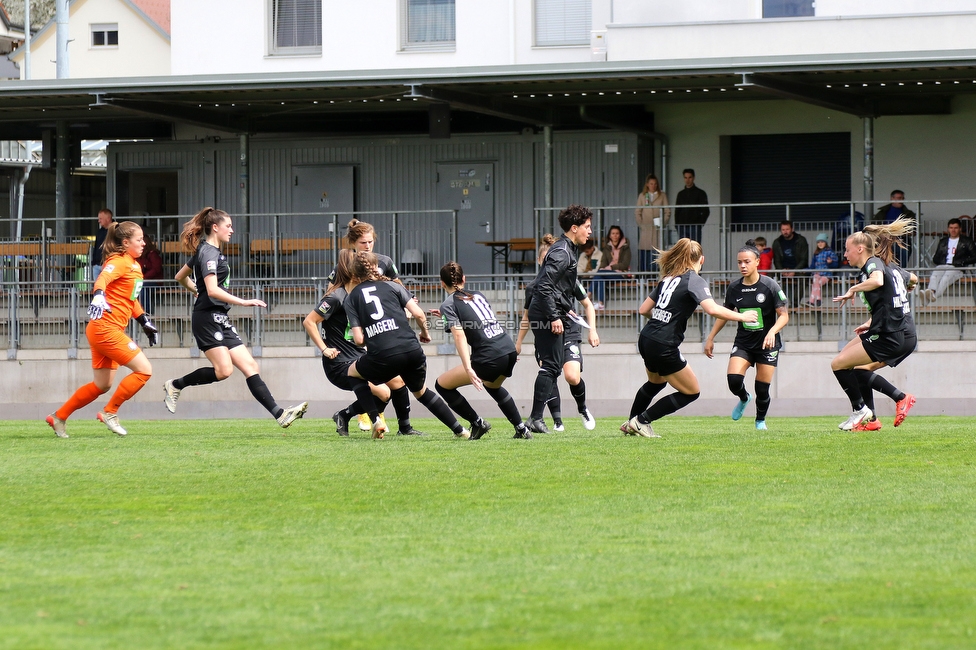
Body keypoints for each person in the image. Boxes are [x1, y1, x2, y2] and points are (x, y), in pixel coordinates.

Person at [161, 207, 308, 428]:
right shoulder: (209, 252)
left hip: (219, 317)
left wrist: (196, 290)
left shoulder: (207, 250)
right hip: (207, 318)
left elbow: (180, 276)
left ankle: (280, 414)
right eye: (228, 226)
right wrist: (243, 301)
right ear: (215, 227)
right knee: (224, 371)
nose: (232, 230)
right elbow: (211, 290)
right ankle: (175, 385)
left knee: (250, 366)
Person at [621, 238, 757, 438]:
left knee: (656, 382)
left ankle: (631, 422)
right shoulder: (694, 279)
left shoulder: (668, 278)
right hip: (663, 343)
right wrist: (742, 316)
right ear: (701, 260)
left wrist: (662, 319)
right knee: (691, 392)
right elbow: (711, 309)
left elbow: (643, 309)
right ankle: (641, 421)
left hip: (647, 337)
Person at [46, 221, 158, 438]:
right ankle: (110, 412)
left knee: (102, 384)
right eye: (139, 239)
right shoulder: (119, 261)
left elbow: (130, 299)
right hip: (106, 329)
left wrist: (144, 320)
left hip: (103, 329)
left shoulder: (133, 264)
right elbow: (102, 279)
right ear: (125, 243)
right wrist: (98, 294)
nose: (144, 243)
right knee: (144, 370)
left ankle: (59, 417)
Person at [345, 251, 469, 439]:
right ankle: (460, 430)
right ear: (377, 267)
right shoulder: (394, 286)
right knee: (421, 392)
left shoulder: (352, 297)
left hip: (383, 355)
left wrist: (373, 335)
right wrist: (425, 334)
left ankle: (375, 419)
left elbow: (359, 340)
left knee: (353, 373)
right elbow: (419, 314)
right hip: (412, 349)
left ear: (354, 274)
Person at [328, 219, 418, 434]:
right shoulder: (345, 265)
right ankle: (366, 417)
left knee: (395, 381)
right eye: (362, 243)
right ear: (353, 243)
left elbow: (397, 286)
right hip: (358, 330)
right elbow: (331, 292)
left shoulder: (384, 261)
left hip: (378, 328)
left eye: (370, 242)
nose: (367, 246)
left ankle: (402, 426)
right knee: (382, 383)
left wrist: (408, 303)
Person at [830, 217, 916, 431]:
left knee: (838, 364)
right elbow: (912, 278)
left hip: (892, 333)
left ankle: (872, 407)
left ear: (860, 249)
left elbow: (877, 281)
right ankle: (872, 419)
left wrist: (853, 289)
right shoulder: (890, 266)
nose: (845, 254)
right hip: (901, 331)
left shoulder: (874, 263)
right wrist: (871, 321)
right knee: (857, 369)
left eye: (847, 249)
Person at [302, 249, 396, 437]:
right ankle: (376, 421)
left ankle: (344, 415)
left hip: (360, 357)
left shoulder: (360, 295)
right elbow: (309, 321)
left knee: (386, 393)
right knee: (381, 390)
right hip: (339, 362)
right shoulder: (336, 297)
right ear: (354, 274)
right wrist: (324, 348)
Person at [432, 262, 531, 440]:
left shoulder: (448, 304)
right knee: (493, 386)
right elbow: (478, 318)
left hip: (490, 355)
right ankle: (522, 428)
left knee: (442, 385)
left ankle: (478, 423)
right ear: (464, 278)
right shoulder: (477, 294)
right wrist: (446, 316)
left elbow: (459, 336)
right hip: (507, 349)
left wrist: (469, 368)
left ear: (441, 283)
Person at [516, 233, 601, 433]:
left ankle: (582, 408)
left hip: (568, 328)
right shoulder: (534, 288)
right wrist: (518, 342)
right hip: (546, 329)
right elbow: (526, 317)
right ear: (541, 261)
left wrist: (593, 331)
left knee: (571, 376)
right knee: (550, 371)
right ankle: (556, 420)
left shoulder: (570, 280)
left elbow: (588, 305)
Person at [704, 240, 789, 430]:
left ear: (757, 261)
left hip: (767, 344)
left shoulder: (770, 286)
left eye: (747, 261)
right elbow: (723, 314)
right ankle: (744, 398)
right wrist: (710, 338)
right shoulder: (734, 288)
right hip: (744, 342)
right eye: (739, 262)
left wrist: (772, 332)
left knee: (762, 388)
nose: (742, 265)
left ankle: (760, 421)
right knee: (734, 380)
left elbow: (784, 316)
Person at [921, 218, 976, 304]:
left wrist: (962, 262)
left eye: (955, 228)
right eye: (951, 228)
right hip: (943, 265)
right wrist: (941, 261)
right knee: (934, 276)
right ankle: (931, 293)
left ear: (960, 229)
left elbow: (974, 257)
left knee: (945, 279)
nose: (953, 230)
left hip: (957, 267)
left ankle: (930, 296)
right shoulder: (943, 241)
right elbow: (936, 258)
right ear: (948, 229)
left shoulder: (967, 241)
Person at [589, 225, 631, 310]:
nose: (615, 235)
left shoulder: (626, 248)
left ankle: (588, 294)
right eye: (613, 233)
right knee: (600, 276)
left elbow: (625, 264)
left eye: (617, 233)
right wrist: (602, 268)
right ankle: (601, 304)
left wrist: (611, 267)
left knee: (600, 273)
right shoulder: (607, 248)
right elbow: (603, 262)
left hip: (621, 274)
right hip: (607, 273)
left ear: (620, 235)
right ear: (610, 235)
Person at [634, 174, 670, 271]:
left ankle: (655, 277)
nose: (653, 186)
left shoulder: (662, 195)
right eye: (651, 184)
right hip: (646, 229)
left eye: (655, 184)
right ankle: (644, 278)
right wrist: (642, 225)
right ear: (647, 185)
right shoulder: (642, 196)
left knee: (657, 253)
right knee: (644, 254)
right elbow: (637, 212)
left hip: (658, 230)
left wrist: (663, 223)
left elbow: (667, 211)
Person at [873, 190, 916, 267]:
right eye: (899, 198)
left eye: (902, 198)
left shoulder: (909, 214)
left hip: (901, 240)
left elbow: (913, 228)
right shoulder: (882, 213)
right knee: (884, 260)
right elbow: (875, 226)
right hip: (884, 240)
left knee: (903, 257)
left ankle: (900, 274)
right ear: (892, 198)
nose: (901, 200)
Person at [772, 220, 809, 306]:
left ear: (792, 229)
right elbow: (776, 260)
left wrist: (794, 271)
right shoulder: (777, 242)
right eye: (783, 229)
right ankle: (779, 303)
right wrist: (781, 270)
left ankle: (795, 303)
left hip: (798, 270)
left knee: (803, 278)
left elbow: (804, 259)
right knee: (771, 278)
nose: (785, 231)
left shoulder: (801, 240)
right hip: (783, 270)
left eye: (787, 229)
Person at [674, 169, 709, 243]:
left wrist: (699, 223)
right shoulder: (680, 194)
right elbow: (677, 211)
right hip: (682, 227)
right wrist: (677, 225)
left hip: (695, 226)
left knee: (694, 250)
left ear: (693, 178)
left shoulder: (700, 193)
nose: (687, 180)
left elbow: (706, 211)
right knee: (683, 250)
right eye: (685, 177)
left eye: (689, 177)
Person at [808, 233, 839, 306]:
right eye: (818, 242)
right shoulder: (816, 254)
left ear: (825, 242)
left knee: (816, 283)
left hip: (826, 275)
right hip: (817, 274)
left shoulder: (830, 253)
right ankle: (817, 300)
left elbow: (836, 265)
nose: (820, 244)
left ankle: (812, 301)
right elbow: (812, 266)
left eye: (822, 242)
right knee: (815, 280)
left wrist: (830, 263)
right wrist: (807, 271)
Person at [137, 233, 164, 316]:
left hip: (155, 281)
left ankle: (146, 311)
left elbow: (156, 269)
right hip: (144, 280)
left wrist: (144, 277)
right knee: (136, 286)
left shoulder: (153, 255)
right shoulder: (140, 256)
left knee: (142, 286)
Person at [91, 208, 115, 281]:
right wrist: (94, 262)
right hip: (97, 265)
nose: (99, 221)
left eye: (101, 218)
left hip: (109, 264)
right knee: (98, 288)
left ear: (108, 218)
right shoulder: (100, 232)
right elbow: (96, 247)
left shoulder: (116, 230)